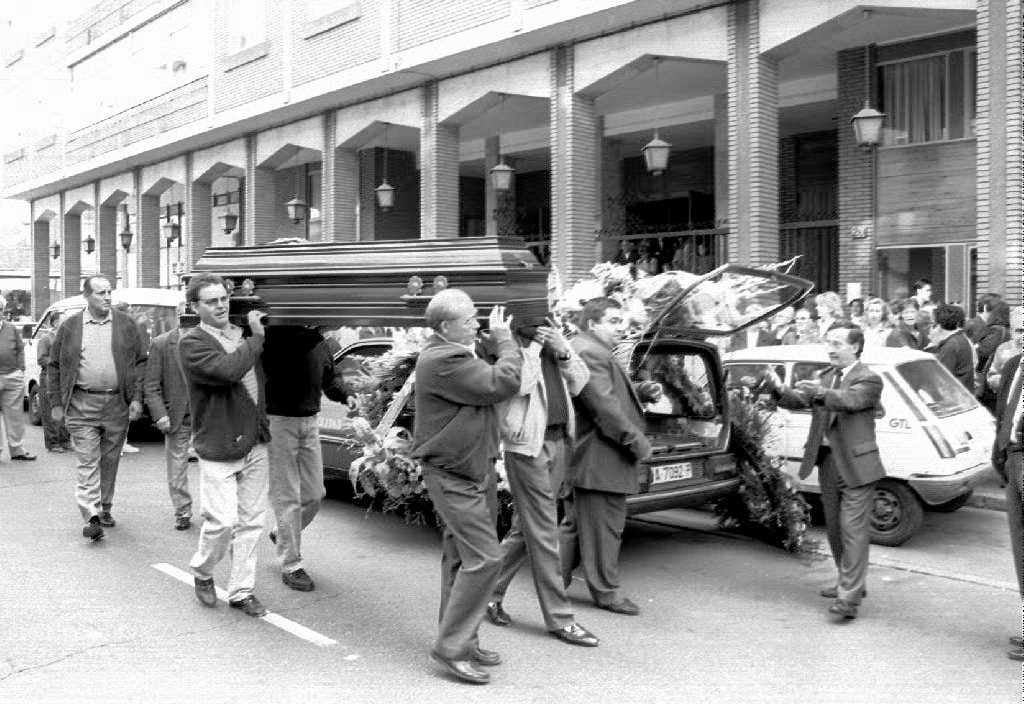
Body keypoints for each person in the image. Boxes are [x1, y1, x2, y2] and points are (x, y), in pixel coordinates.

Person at [410, 289, 522, 685]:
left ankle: (463, 637)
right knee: (486, 558)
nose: (478, 324)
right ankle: (450, 648)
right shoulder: (444, 358)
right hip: (454, 473)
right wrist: (506, 343)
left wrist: (492, 347)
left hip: (472, 469)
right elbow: (501, 383)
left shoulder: (458, 352)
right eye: (470, 320)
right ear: (445, 327)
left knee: (461, 559)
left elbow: (483, 386)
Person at [485, 321, 600, 648]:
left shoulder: (553, 343)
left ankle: (487, 594)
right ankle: (561, 619)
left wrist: (562, 348)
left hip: (558, 443)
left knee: (527, 529)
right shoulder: (508, 344)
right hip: (527, 449)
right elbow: (519, 385)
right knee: (545, 530)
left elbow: (580, 382)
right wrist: (535, 347)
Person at [762, 325, 885, 620]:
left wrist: (819, 391)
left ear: (855, 347)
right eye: (828, 342)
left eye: (837, 343)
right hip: (829, 462)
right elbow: (800, 401)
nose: (830, 348)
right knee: (834, 529)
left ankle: (849, 599)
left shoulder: (868, 378)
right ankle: (851, 583)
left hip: (857, 466)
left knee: (853, 531)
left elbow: (849, 400)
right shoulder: (827, 377)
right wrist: (778, 388)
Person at [180, 272, 271, 618]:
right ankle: (203, 571)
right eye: (211, 301)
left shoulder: (241, 334)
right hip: (218, 443)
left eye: (223, 298)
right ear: (195, 307)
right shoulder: (192, 343)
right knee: (221, 522)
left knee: (251, 523)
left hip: (256, 441)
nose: (220, 306)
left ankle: (241, 590)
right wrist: (257, 338)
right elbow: (228, 371)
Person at [560, 297, 654, 616]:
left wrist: (639, 391)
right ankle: (606, 592)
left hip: (593, 457)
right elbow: (604, 407)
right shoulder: (589, 350)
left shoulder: (590, 349)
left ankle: (552, 580)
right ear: (592, 323)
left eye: (621, 320)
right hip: (601, 456)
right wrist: (636, 441)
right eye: (613, 321)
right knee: (605, 527)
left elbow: (605, 394)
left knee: (575, 526)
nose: (621, 326)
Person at [48, 276, 146, 540]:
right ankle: (91, 515)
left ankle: (105, 506)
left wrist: (136, 397)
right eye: (100, 293)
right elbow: (54, 366)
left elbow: (140, 362)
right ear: (87, 296)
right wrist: (56, 403)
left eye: (109, 292)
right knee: (87, 460)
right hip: (81, 403)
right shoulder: (70, 327)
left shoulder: (126, 324)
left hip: (117, 403)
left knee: (110, 459)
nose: (106, 297)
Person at [262, 325, 348, 592]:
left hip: (310, 422)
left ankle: (282, 532)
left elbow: (330, 381)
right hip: (278, 421)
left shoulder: (321, 342)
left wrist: (349, 394)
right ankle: (291, 565)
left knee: (314, 494)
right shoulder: (277, 336)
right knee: (286, 495)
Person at [144, 324, 194, 531]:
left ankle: (215, 511)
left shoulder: (214, 337)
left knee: (215, 467)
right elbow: (151, 385)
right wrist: (160, 414)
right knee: (177, 465)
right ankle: (183, 510)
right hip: (178, 415)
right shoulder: (162, 343)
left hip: (211, 414)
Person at [991, 353, 1022, 661]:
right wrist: (998, 453)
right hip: (1012, 458)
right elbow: (1004, 415)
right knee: (1020, 550)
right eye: (1018, 330)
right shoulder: (1014, 365)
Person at [0, 309, 33, 462]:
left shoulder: (11, 328)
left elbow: (20, 349)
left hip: (13, 375)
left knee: (15, 415)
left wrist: (21, 370)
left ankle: (17, 450)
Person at [37, 311, 70, 453]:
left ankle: (65, 440)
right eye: (64, 320)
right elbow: (41, 358)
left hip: (64, 377)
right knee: (50, 410)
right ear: (55, 322)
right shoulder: (46, 338)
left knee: (64, 408)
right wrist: (57, 363)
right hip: (49, 376)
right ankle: (53, 442)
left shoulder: (67, 338)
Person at [926, 303, 974, 392]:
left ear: (939, 325)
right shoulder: (960, 339)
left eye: (933, 324)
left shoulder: (950, 346)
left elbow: (941, 378)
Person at [975, 297, 1011, 407]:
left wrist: (976, 347)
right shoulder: (1007, 330)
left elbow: (984, 351)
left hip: (989, 379)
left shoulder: (997, 330)